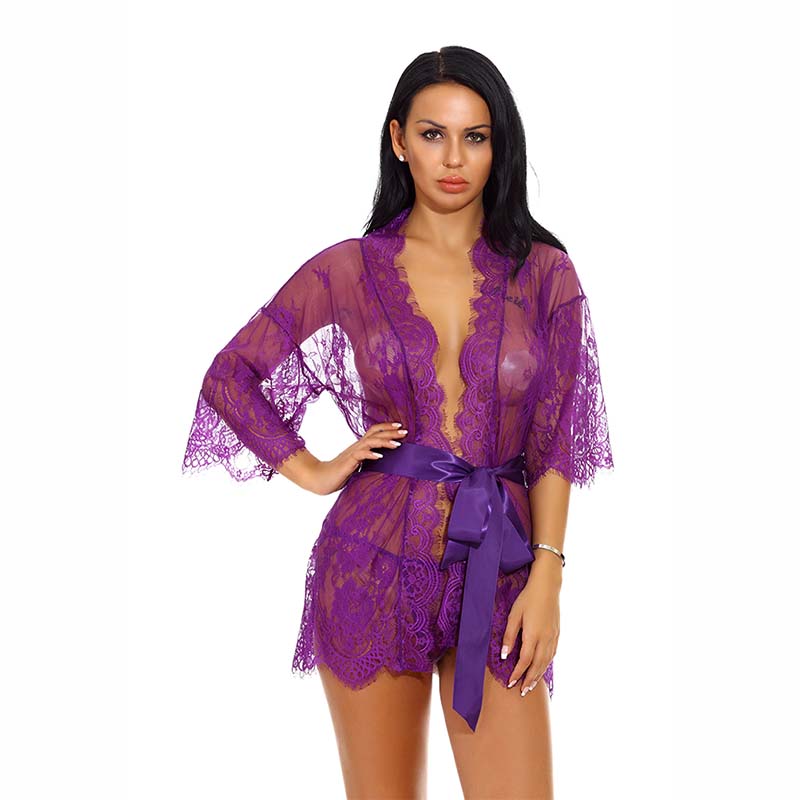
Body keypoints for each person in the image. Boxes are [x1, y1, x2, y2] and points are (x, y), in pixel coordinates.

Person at [182, 45, 614, 800]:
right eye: (432, 134)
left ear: (499, 146)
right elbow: (230, 376)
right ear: (398, 140)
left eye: (475, 137)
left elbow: (556, 436)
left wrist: (549, 572)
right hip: (372, 564)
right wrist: (314, 469)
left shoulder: (546, 273)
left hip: (503, 568)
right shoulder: (349, 267)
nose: (454, 158)